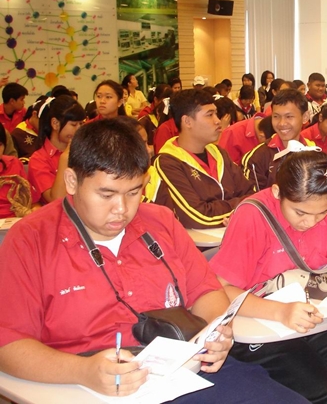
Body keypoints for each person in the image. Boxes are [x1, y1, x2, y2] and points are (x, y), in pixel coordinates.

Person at [0, 118, 308, 403]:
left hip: (182, 370)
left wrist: (216, 332)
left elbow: (206, 291)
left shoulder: (160, 222)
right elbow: (7, 344)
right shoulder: (30, 240)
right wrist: (83, 372)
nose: (121, 209)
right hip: (86, 384)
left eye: (134, 192)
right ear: (71, 181)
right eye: (106, 195)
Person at [211, 150, 327, 404]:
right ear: (277, 192)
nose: (311, 222)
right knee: (326, 391)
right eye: (300, 213)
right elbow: (222, 289)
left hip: (317, 312)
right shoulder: (253, 215)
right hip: (263, 320)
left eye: (321, 213)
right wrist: (281, 312)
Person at [152, 90, 254, 228]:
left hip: (232, 234)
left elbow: (252, 196)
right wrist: (239, 208)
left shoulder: (219, 153)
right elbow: (198, 217)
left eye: (216, 114)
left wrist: (216, 207)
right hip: (198, 241)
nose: (218, 121)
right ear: (187, 121)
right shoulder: (168, 162)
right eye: (209, 115)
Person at [242, 89, 314, 190]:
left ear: (305, 117)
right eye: (276, 116)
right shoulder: (257, 157)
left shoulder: (313, 151)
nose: (282, 123)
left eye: (289, 116)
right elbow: (252, 197)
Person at [28, 95, 86, 204]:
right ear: (55, 123)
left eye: (81, 123)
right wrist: (65, 158)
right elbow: (57, 201)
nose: (79, 129)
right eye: (74, 124)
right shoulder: (39, 159)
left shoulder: (84, 150)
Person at [0, 122, 39, 217]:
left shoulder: (13, 164)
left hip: (17, 220)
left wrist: (35, 210)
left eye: (0, 145)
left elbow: (32, 201)